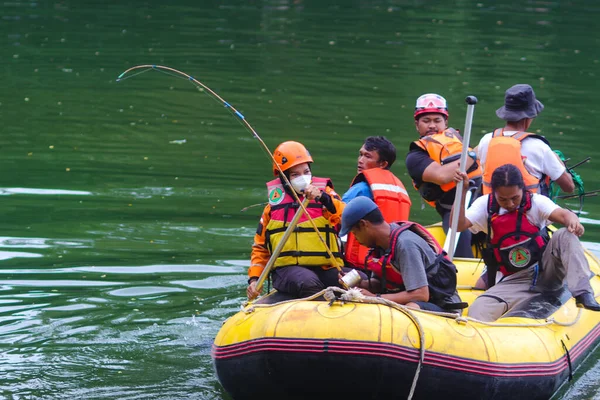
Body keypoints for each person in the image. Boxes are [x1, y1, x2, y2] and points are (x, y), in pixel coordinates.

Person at [452, 164, 600, 322]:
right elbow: (458, 225)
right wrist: (461, 191)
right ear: (494, 192)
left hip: (546, 271)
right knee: (477, 312)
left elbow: (564, 215)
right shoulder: (484, 206)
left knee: (565, 234)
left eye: (514, 198)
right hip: (514, 279)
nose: (509, 204)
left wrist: (573, 221)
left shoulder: (537, 202)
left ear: (522, 189)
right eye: (503, 199)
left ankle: (583, 294)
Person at [246, 141, 345, 300]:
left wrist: (323, 198)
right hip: (287, 271)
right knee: (308, 282)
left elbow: (345, 216)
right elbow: (260, 248)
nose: (303, 178)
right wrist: (254, 280)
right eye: (295, 174)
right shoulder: (272, 208)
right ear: (284, 178)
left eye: (306, 171)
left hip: (325, 267)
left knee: (357, 279)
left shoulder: (325, 195)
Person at [339, 196, 463, 312]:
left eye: (355, 233)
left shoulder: (406, 244)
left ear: (363, 224)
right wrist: (359, 284)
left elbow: (421, 294)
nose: (356, 239)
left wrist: (375, 298)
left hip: (442, 305)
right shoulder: (380, 246)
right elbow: (379, 285)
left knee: (410, 308)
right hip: (416, 299)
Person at [405, 93, 482, 258]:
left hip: (482, 204)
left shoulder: (459, 143)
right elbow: (442, 176)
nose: (432, 125)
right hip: (454, 211)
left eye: (437, 120)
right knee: (461, 244)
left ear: (446, 123)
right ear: (417, 124)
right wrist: (473, 155)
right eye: (426, 121)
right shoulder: (416, 156)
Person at [476, 84, 574, 196]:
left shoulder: (486, 140)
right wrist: (557, 160)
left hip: (491, 209)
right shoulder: (539, 147)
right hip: (527, 212)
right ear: (529, 117)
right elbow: (569, 187)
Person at [342, 136, 412, 269]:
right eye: (360, 155)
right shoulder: (400, 189)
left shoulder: (362, 188)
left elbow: (337, 214)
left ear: (383, 164)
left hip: (362, 263)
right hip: (391, 263)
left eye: (368, 156)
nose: (360, 161)